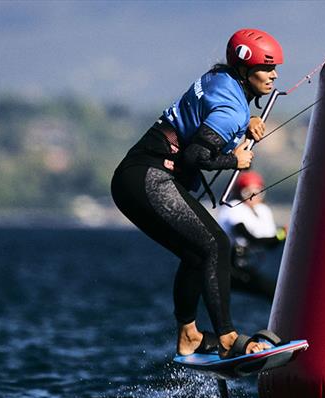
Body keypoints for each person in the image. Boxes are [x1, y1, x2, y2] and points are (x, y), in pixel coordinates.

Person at [110, 29, 283, 358]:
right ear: (246, 70)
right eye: (266, 68)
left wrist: (245, 125)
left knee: (196, 253)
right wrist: (236, 159)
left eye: (275, 68)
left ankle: (189, 334)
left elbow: (205, 117)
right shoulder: (232, 109)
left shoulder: (219, 77)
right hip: (150, 176)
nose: (273, 75)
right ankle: (228, 337)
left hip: (133, 177)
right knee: (216, 243)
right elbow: (195, 157)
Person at [217, 171, 286, 299]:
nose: (253, 197)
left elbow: (271, 244)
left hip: (252, 264)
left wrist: (283, 234)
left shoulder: (263, 211)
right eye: (248, 193)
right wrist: (280, 235)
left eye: (258, 192)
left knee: (275, 292)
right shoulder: (233, 208)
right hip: (231, 264)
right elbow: (248, 237)